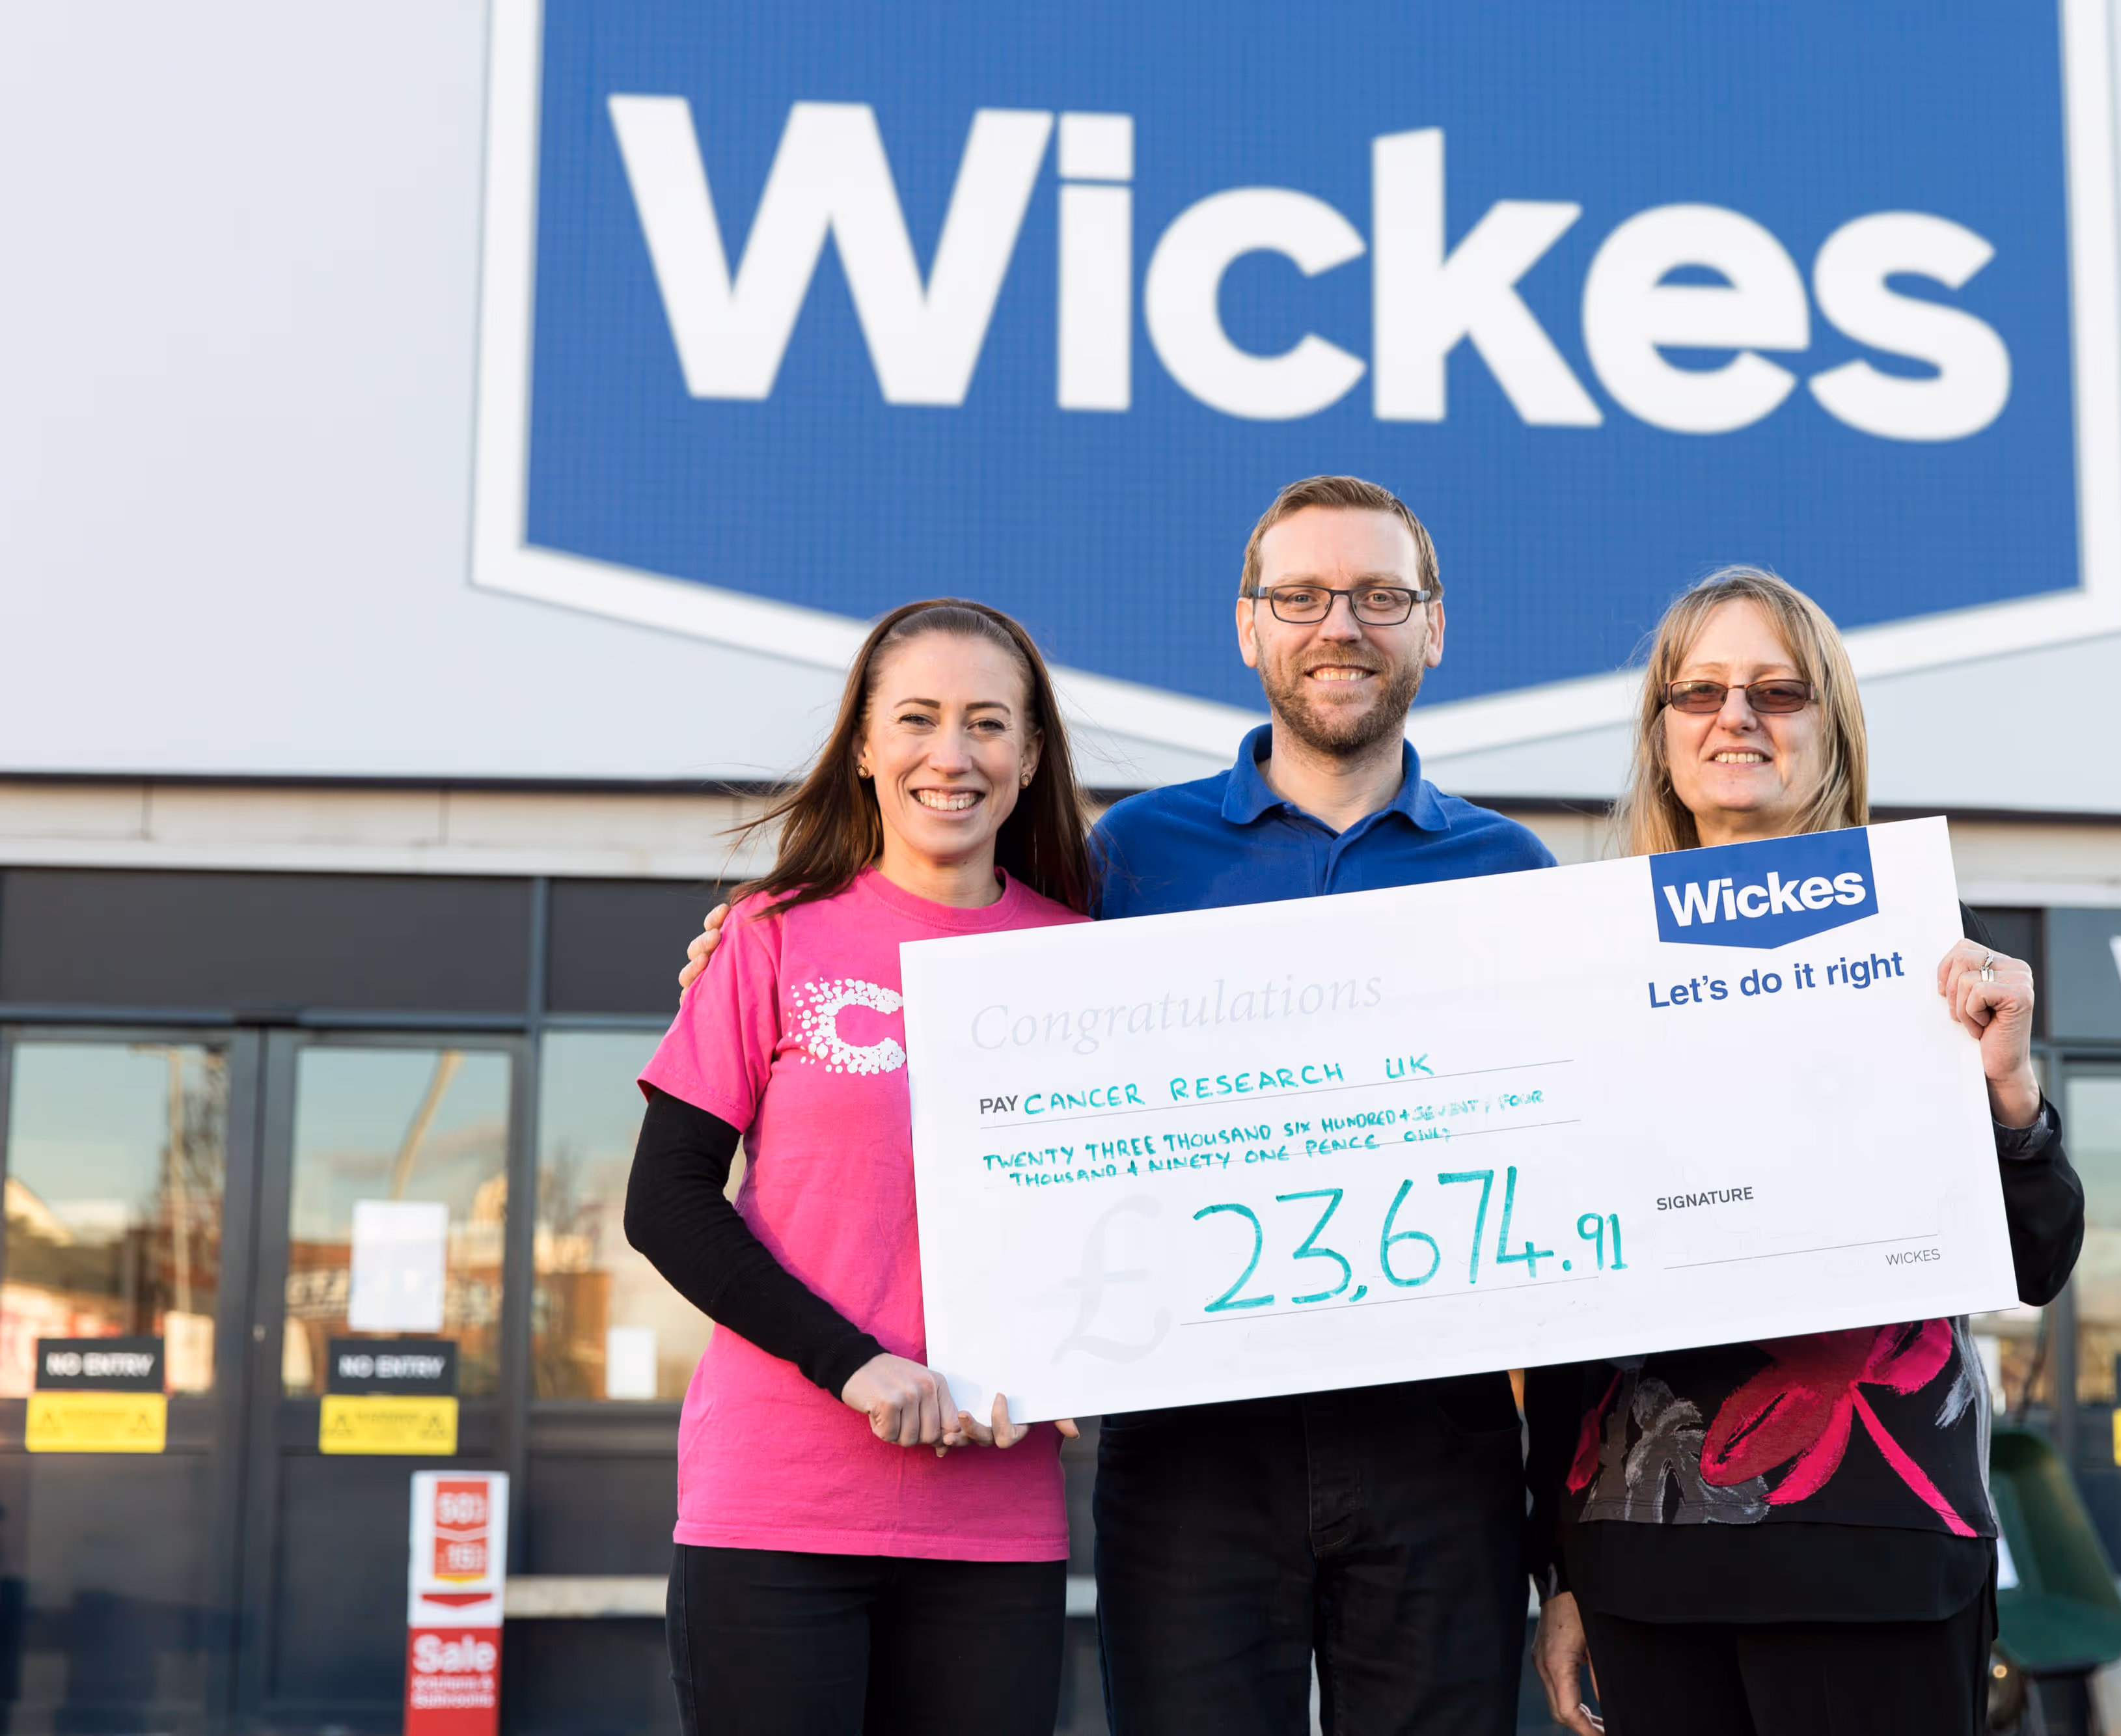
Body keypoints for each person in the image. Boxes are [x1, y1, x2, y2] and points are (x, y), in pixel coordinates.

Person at [679, 476, 1556, 1735]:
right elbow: (950, 956)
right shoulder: (1125, 860)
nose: (1340, 626)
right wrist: (754, 947)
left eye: (1379, 596)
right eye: (1301, 596)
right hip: (1191, 1458)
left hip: (1436, 1454)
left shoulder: (1511, 871)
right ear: (1249, 626)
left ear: (1433, 626)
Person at [1522, 567, 2085, 1736]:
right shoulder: (1583, 963)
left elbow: (2033, 1260)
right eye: (1703, 691)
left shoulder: (1920, 952)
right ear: (1662, 733)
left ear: (1832, 729)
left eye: (1778, 691)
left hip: (1873, 1544)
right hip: (1645, 1556)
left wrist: (2011, 1091)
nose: (1737, 716)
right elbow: (1565, 1290)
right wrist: (1557, 1565)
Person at [625, 598, 1099, 1736]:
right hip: (775, 1503)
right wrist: (855, 1364)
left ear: (1031, 757)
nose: (953, 754)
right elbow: (666, 1203)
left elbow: (1122, 1200)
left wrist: (1087, 1347)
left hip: (994, 1519)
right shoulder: (772, 935)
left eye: (988, 723)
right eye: (919, 718)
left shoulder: (1083, 962)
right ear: (865, 747)